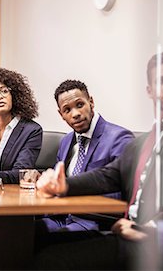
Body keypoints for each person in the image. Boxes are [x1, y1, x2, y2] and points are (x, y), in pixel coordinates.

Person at [34, 51, 163, 270]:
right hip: (122, 229)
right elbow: (109, 175)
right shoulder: (149, 139)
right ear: (150, 91)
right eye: (162, 81)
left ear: (91, 102)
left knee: (47, 260)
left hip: (145, 236)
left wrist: (151, 227)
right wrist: (63, 185)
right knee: (22, 239)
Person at [37, 80, 134, 232]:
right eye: (67, 110)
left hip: (92, 221)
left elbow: (124, 192)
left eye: (80, 105)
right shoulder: (66, 141)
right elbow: (58, 183)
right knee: (23, 231)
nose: (75, 114)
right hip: (60, 217)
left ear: (91, 102)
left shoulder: (119, 138)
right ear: (61, 114)